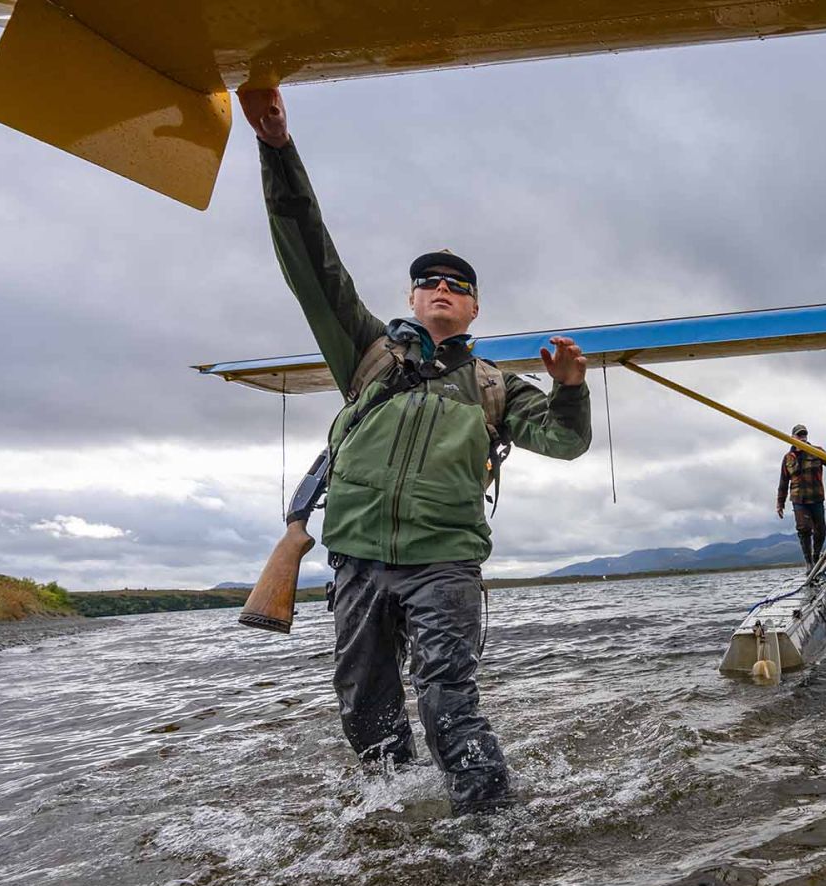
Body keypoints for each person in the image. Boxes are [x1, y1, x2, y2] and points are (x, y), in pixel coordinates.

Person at [238, 87, 593, 815]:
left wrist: (569, 388)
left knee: (449, 707)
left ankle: (490, 835)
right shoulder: (364, 353)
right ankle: (393, 819)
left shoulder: (497, 386)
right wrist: (277, 148)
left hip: (444, 565)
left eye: (457, 286)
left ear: (473, 308)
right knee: (367, 718)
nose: (441, 289)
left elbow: (566, 441)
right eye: (429, 280)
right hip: (358, 563)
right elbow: (311, 256)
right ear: (411, 294)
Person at [776, 425, 826, 570]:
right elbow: (783, 481)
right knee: (804, 528)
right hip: (798, 499)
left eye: (804, 435)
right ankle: (808, 563)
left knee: (821, 530)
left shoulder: (817, 452)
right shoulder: (788, 458)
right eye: (799, 435)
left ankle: (816, 556)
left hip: (816, 497)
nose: (802, 437)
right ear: (793, 438)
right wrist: (780, 503)